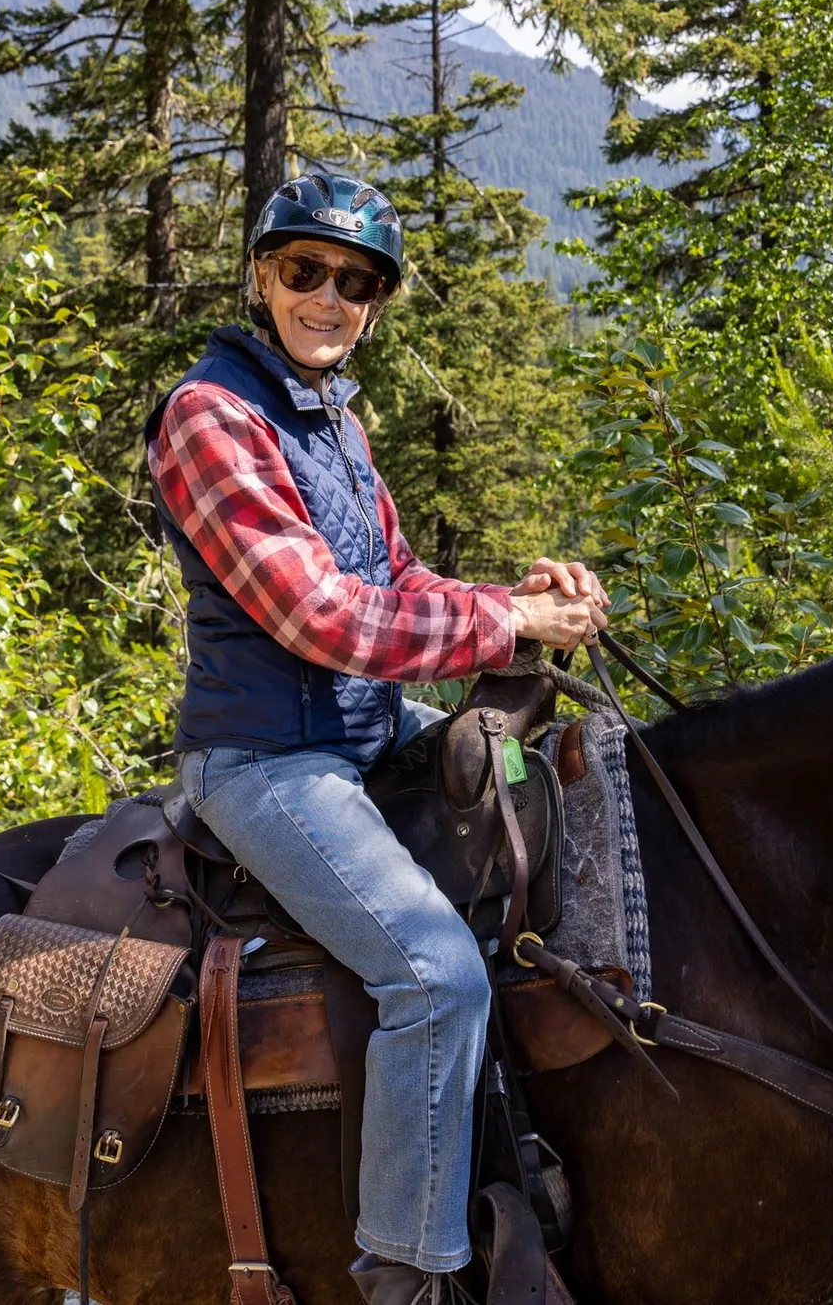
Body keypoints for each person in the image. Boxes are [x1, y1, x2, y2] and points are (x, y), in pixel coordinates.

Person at [144, 170, 608, 1305]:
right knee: (435, 975)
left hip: (363, 727)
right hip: (266, 758)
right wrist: (509, 623)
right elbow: (322, 616)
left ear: (373, 307)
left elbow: (395, 580)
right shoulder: (211, 417)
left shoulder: (334, 421)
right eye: (306, 270)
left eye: (355, 284)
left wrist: (516, 598)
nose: (328, 297)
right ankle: (408, 1273)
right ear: (263, 279)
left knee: (551, 785)